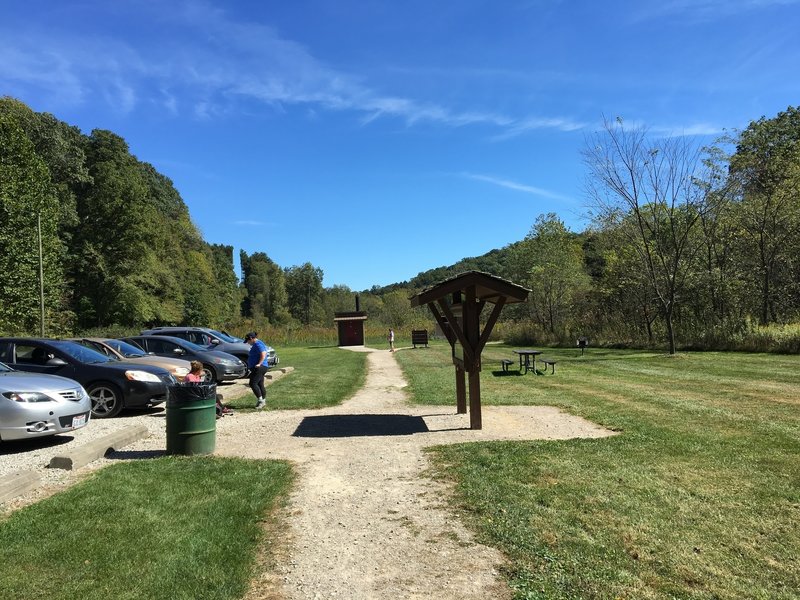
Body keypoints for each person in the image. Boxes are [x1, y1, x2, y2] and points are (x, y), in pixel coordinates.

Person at [244, 331, 268, 409]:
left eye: (248, 341)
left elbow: (263, 354)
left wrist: (259, 363)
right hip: (261, 367)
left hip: (260, 367)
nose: (248, 342)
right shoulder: (257, 344)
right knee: (260, 384)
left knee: (252, 383)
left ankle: (261, 401)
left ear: (251, 338)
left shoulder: (258, 344)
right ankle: (263, 400)